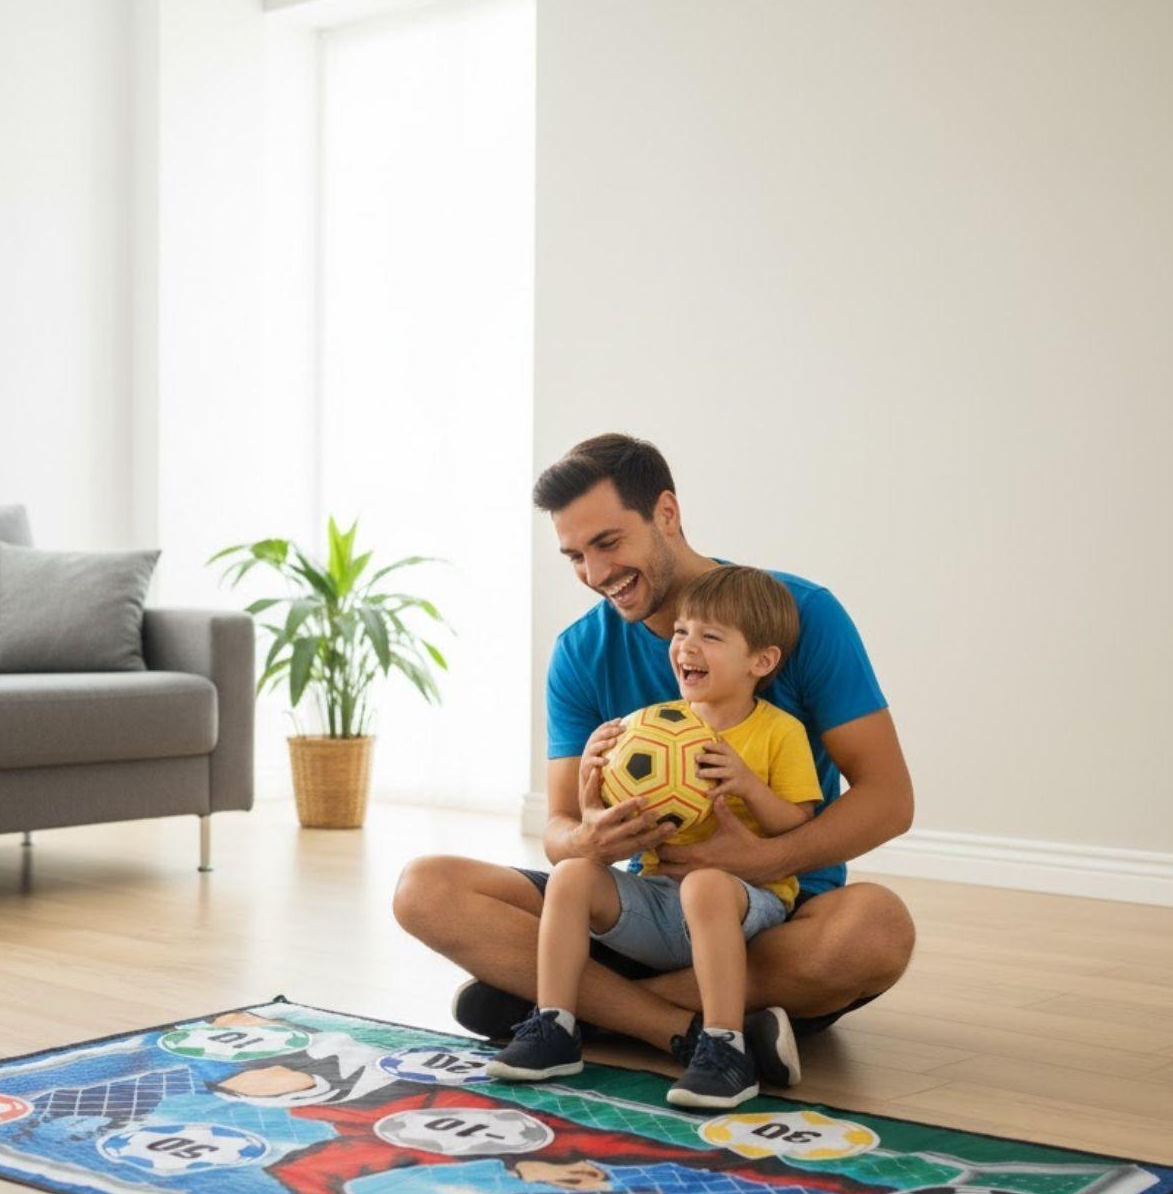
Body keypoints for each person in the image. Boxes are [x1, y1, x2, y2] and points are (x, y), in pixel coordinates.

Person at [392, 432, 915, 1081]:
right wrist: (587, 836)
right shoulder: (582, 650)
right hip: (639, 908)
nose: (594, 574)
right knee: (426, 890)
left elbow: (889, 799)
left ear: (666, 514)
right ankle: (690, 1030)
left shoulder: (796, 615)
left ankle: (563, 1002)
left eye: (608, 543)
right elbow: (558, 831)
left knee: (878, 929)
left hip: (773, 921)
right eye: (574, 556)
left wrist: (764, 858)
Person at [485, 565, 822, 1107]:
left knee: (706, 886)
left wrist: (748, 786)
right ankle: (555, 1027)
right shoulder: (648, 726)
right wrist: (593, 781)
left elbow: (798, 823)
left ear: (761, 661)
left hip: (747, 902)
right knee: (572, 874)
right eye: (683, 631)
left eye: (711, 636)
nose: (687, 645)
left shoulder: (779, 731)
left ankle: (725, 1047)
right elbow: (605, 821)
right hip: (661, 899)